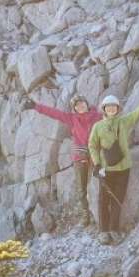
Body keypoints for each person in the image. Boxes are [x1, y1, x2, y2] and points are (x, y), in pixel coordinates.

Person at [88, 87, 139, 244]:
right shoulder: (98, 127)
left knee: (118, 200)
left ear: (118, 109)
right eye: (108, 107)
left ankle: (114, 229)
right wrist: (96, 163)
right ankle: (103, 231)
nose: (111, 109)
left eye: (114, 107)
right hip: (105, 170)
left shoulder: (124, 121)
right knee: (103, 201)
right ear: (104, 109)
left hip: (123, 169)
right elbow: (92, 146)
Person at [23, 93, 101, 225]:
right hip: (80, 156)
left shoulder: (97, 116)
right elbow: (54, 113)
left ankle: (99, 211)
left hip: (95, 154)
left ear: (86, 103)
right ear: (74, 109)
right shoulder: (72, 119)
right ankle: (85, 214)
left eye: (81, 103)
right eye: (76, 105)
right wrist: (36, 106)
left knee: (96, 182)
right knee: (81, 188)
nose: (80, 106)